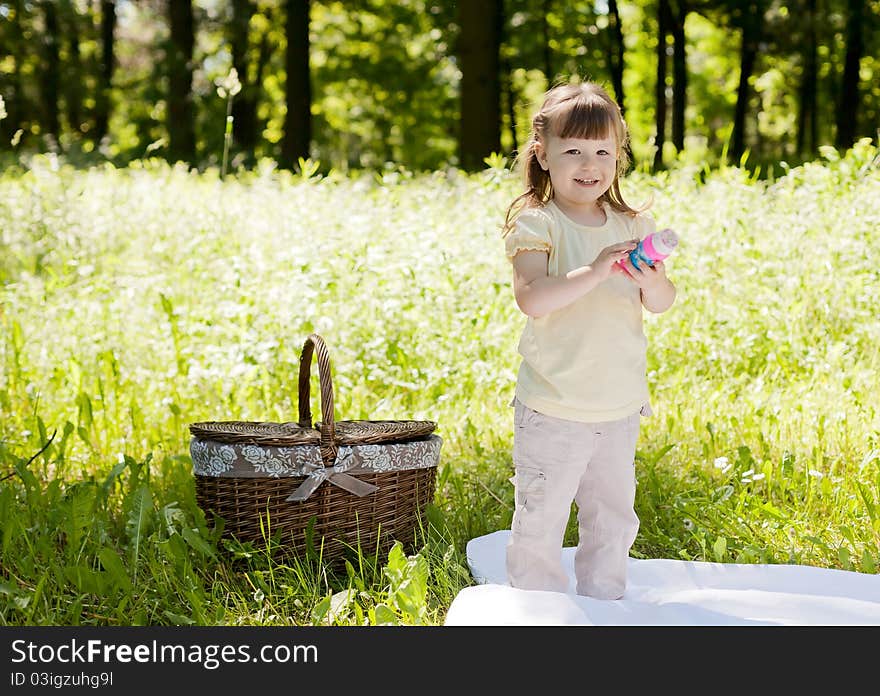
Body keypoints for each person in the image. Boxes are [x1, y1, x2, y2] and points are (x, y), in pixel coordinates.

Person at [501, 81, 676, 600]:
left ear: (618, 156)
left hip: (618, 405)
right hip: (553, 405)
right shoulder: (539, 222)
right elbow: (532, 297)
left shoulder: (632, 224)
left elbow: (662, 302)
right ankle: (537, 612)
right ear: (544, 154)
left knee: (613, 518)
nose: (588, 163)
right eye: (573, 150)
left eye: (602, 151)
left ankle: (605, 605)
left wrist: (652, 279)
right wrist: (596, 270)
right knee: (542, 518)